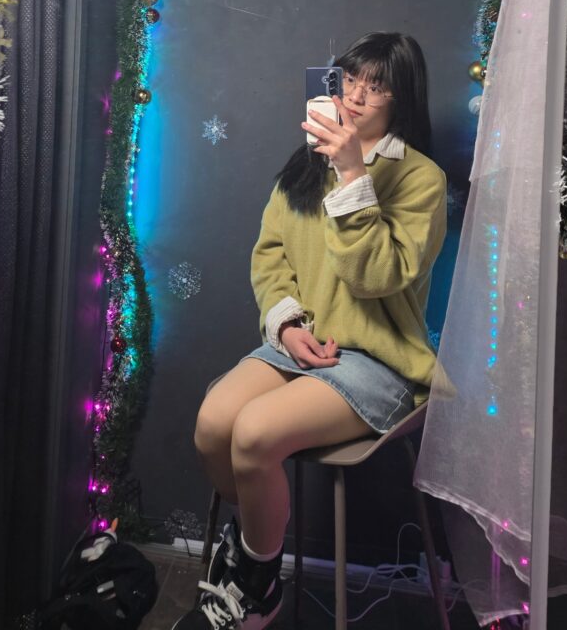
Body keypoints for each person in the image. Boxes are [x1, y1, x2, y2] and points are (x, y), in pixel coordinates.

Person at [172, 31, 447, 630]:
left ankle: (257, 588)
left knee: (254, 434)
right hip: (301, 343)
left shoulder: (421, 179)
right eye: (351, 79)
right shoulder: (307, 160)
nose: (357, 95)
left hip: (376, 359)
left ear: (402, 98)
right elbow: (269, 254)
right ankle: (253, 554)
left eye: (377, 86)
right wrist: (288, 324)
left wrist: (352, 173)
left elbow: (375, 275)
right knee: (214, 425)